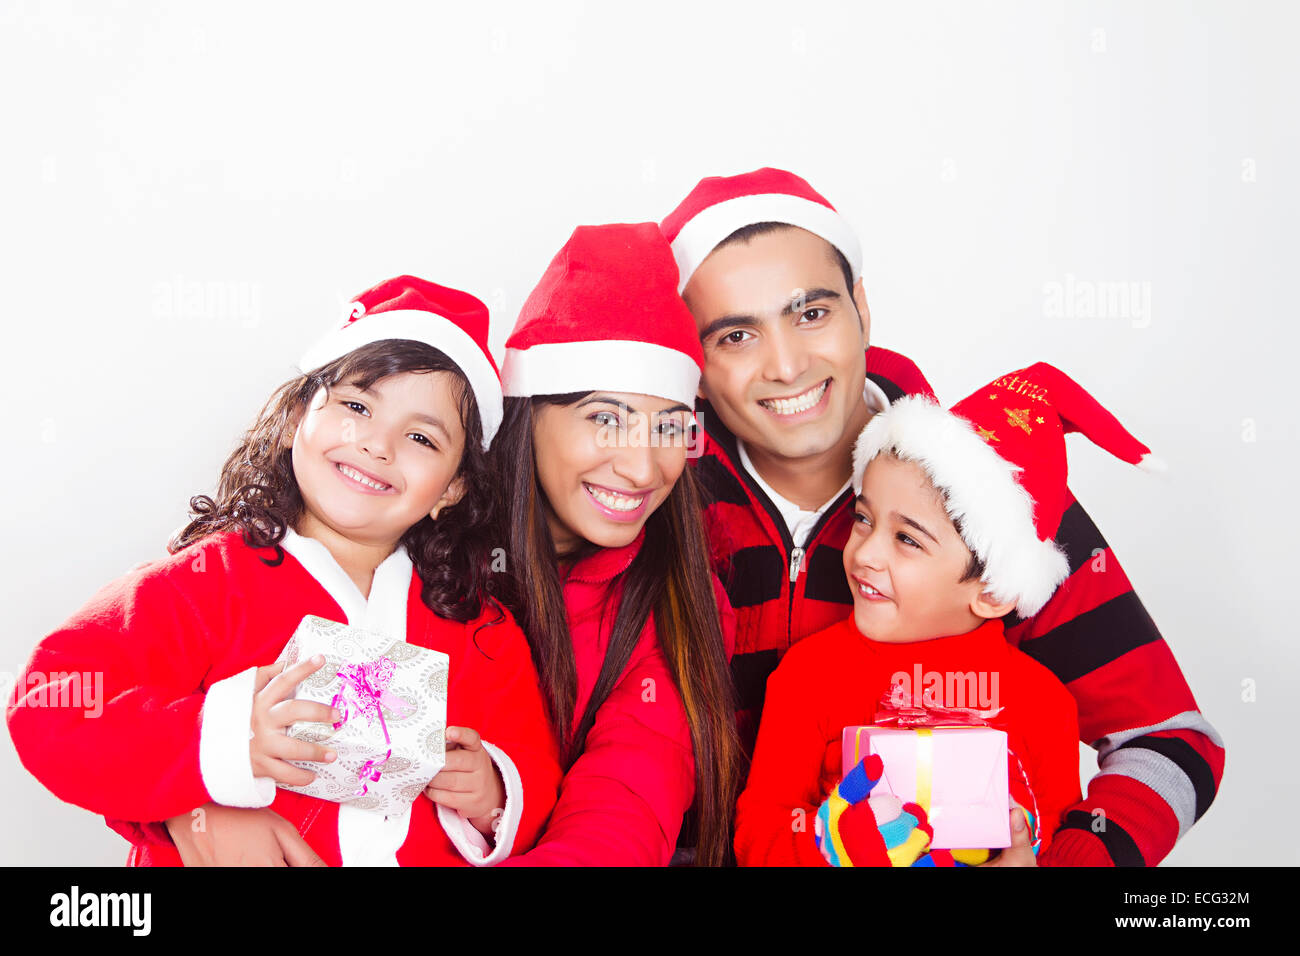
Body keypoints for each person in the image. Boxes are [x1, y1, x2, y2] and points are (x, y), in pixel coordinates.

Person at [660, 168, 1224, 866]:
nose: (786, 365)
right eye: (736, 336)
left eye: (812, 314)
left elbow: (1170, 739)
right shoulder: (653, 498)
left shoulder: (995, 496)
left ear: (861, 307)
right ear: (692, 357)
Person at [6, 276, 563, 866]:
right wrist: (216, 736)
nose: (377, 445)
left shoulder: (482, 629)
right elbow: (51, 700)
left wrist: (496, 793)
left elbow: (539, 767)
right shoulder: (207, 581)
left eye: (422, 437)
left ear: (452, 488)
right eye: (356, 406)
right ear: (301, 412)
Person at [737, 362, 1164, 865]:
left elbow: (1050, 838)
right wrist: (831, 852)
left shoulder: (1043, 702)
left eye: (907, 539)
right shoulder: (807, 676)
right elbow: (759, 832)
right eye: (863, 519)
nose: (864, 553)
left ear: (993, 592)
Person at [491, 222, 743, 867]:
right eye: (606, 418)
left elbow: (627, 799)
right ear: (529, 412)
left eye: (669, 428)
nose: (641, 468)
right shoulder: (423, 537)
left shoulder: (680, 601)